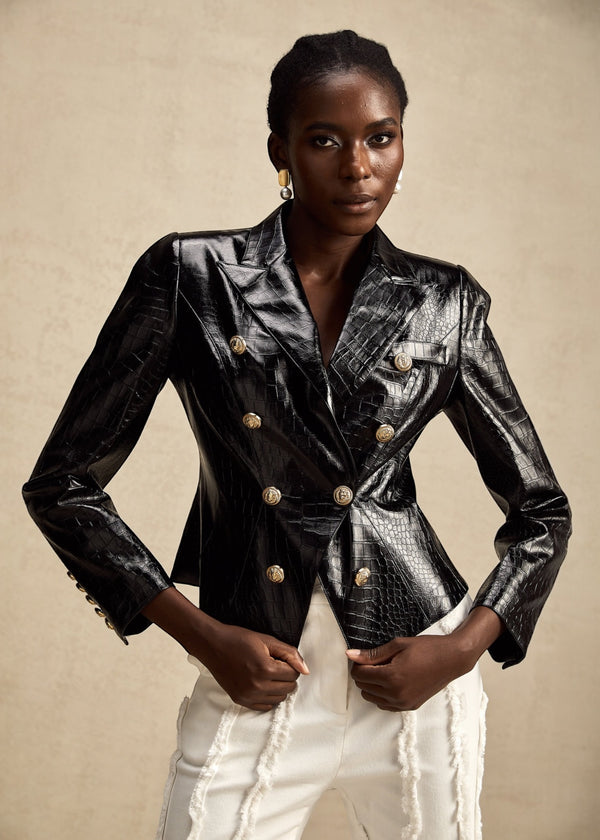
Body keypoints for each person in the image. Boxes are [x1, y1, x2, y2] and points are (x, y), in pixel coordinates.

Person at [23, 30, 571, 840]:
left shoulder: (444, 301)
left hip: (415, 673)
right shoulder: (192, 275)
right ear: (279, 150)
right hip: (257, 664)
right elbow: (63, 484)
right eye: (325, 140)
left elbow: (542, 511)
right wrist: (203, 636)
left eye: (381, 138)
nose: (358, 167)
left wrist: (459, 651)